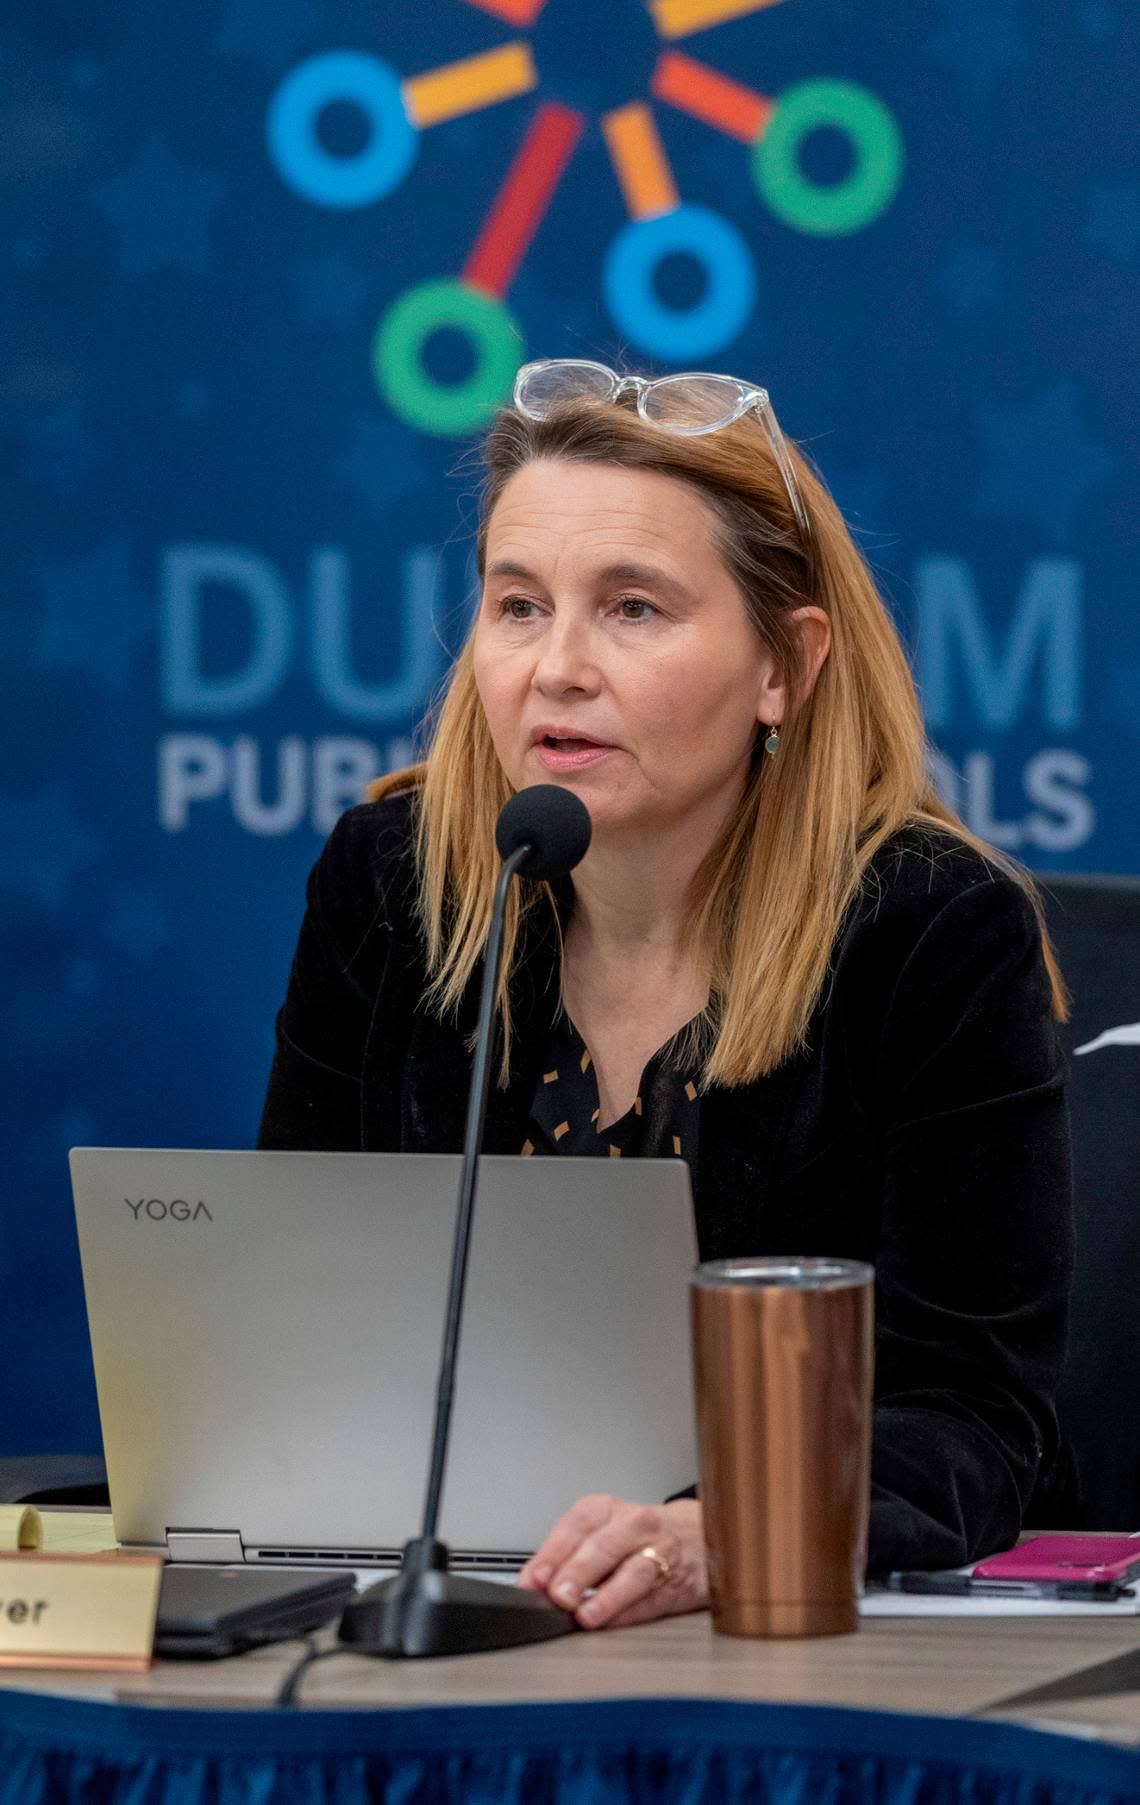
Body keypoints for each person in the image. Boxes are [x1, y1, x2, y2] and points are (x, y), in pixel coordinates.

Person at [259, 357, 1074, 1634]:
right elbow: (286, 1312)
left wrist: (726, 1532)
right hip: (442, 1604)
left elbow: (970, 1415)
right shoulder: (393, 885)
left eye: (633, 608)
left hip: (785, 1637)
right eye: (518, 605)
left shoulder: (931, 930)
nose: (557, 668)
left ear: (783, 668)